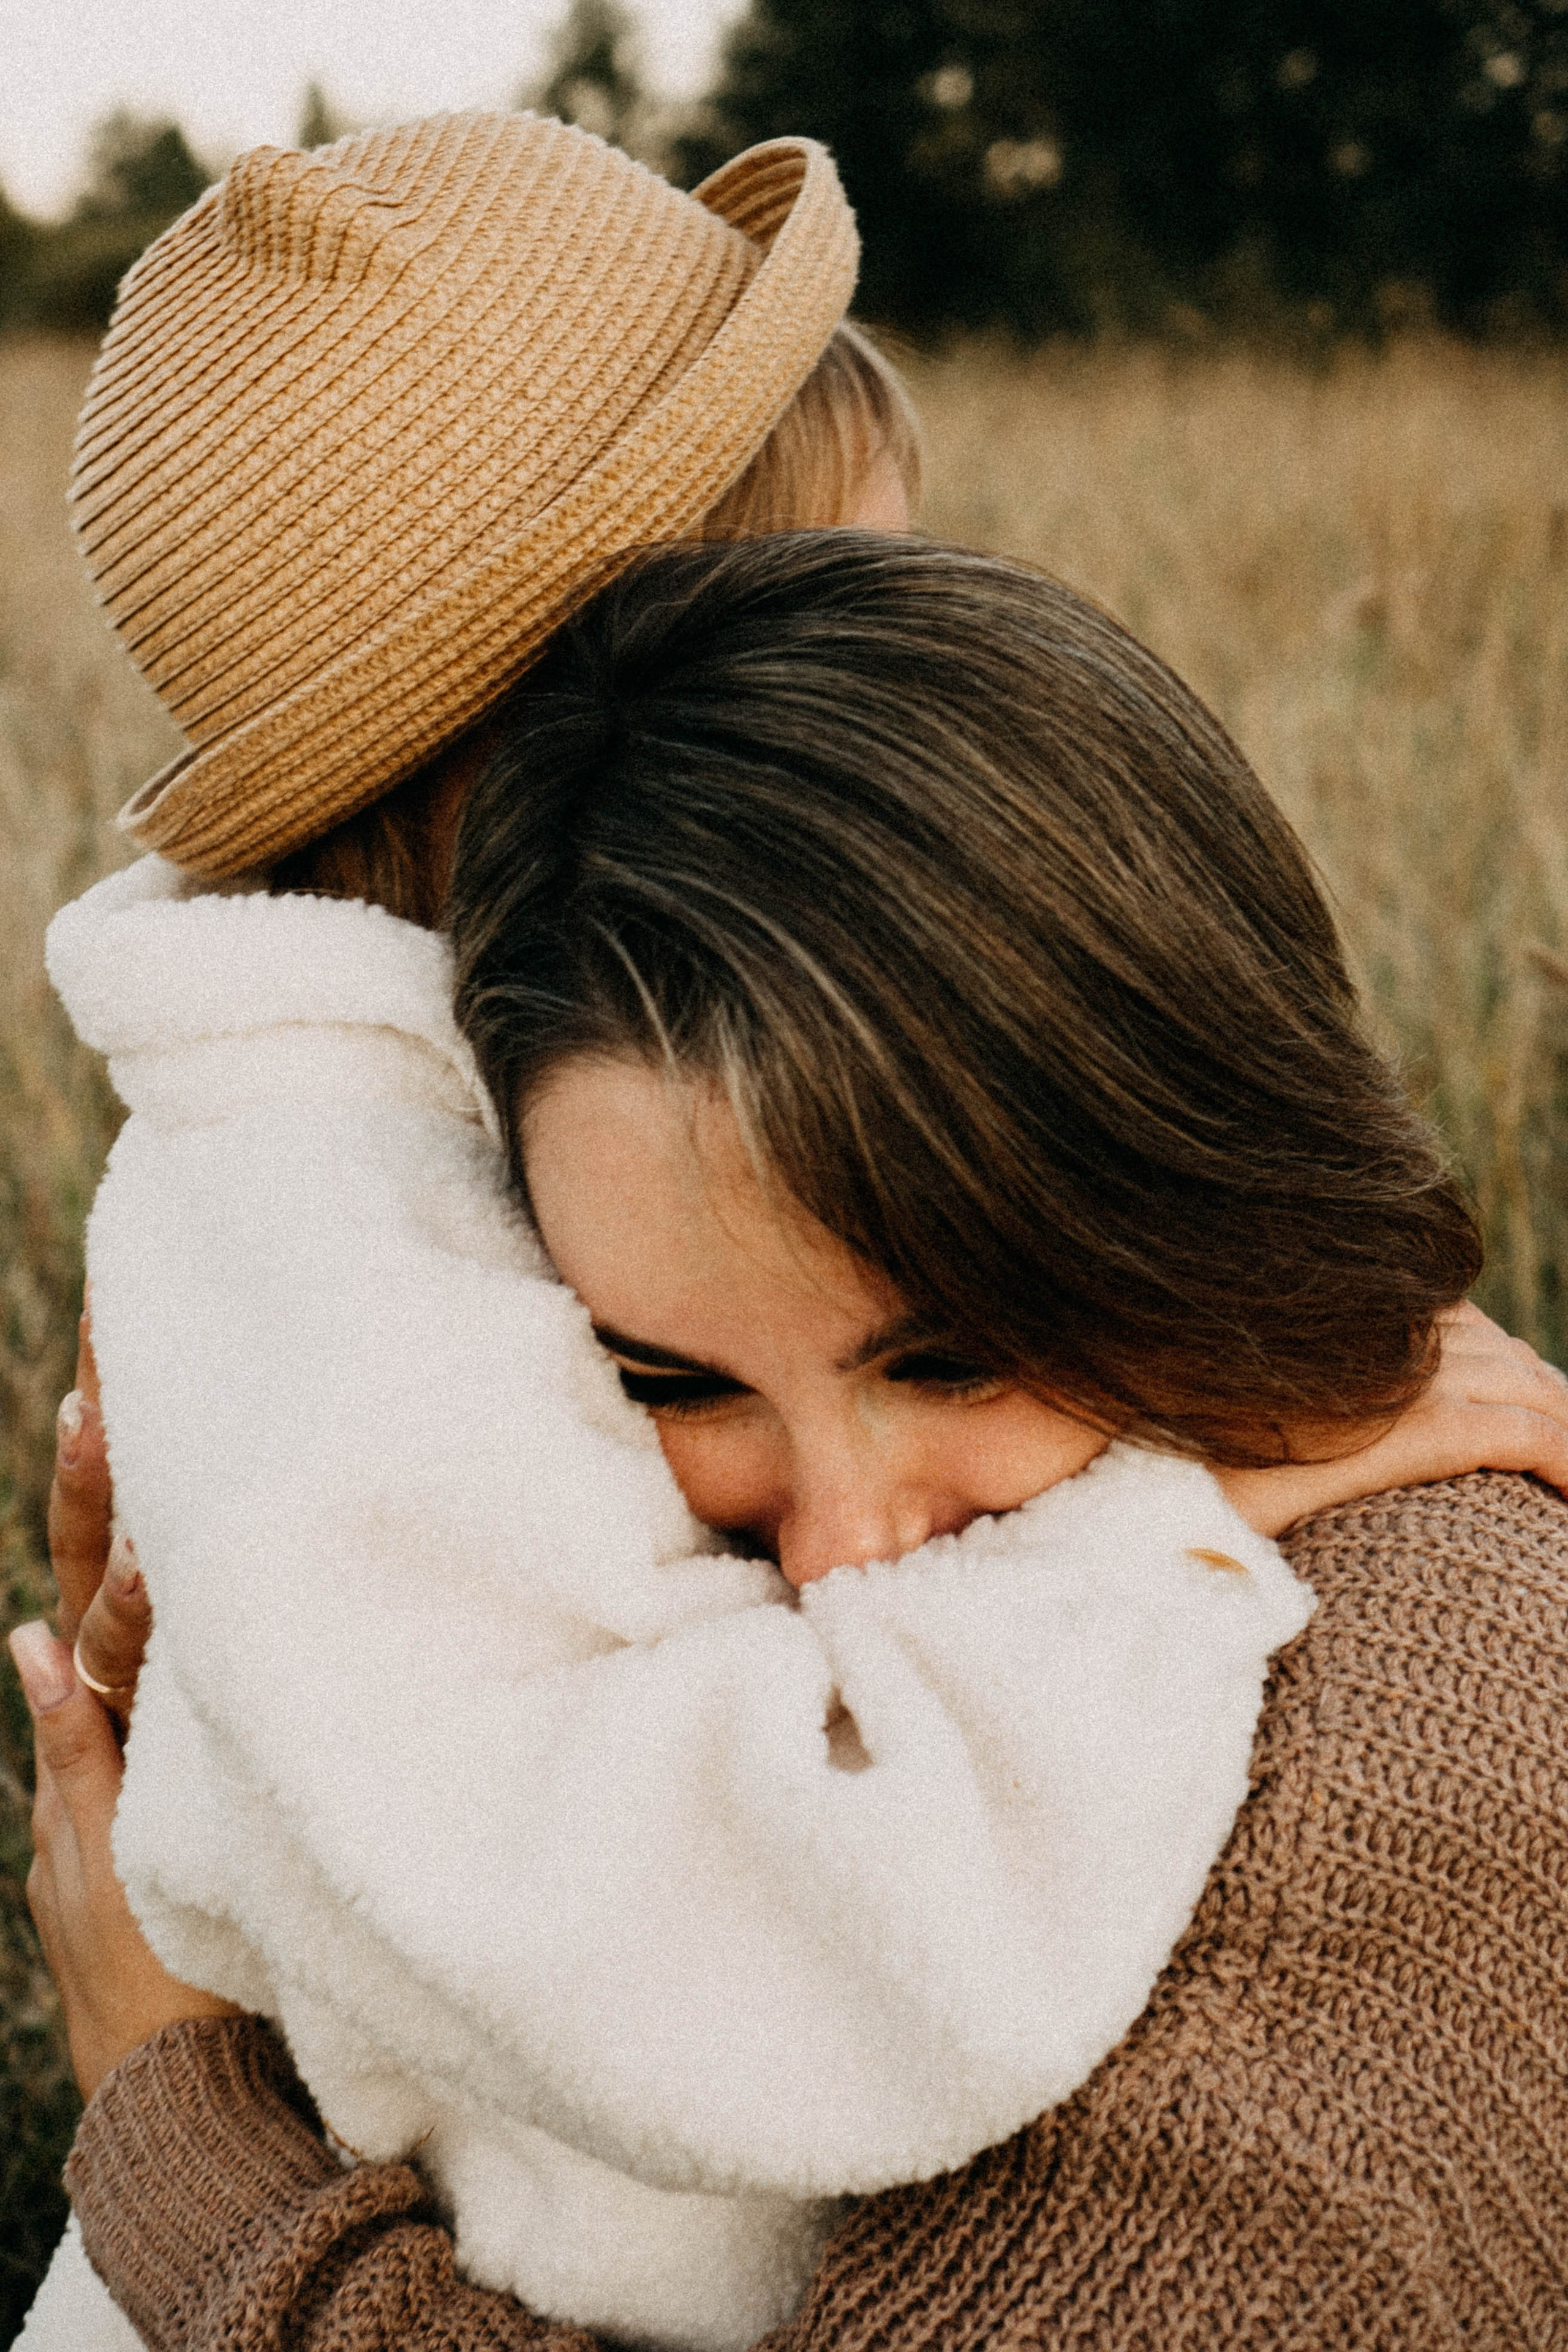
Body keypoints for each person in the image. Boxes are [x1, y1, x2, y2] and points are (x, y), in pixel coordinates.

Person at [16, 532, 1568, 2352]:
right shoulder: (607, 1571)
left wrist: (185, 2148)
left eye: (956, 1358)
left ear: (1175, 1181)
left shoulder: (1396, 1736)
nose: (838, 1549)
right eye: (678, 1384)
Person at [11, 107, 937, 2352]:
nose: (938, 695)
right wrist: (1240, 1533)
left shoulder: (481, 1098)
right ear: (621, 715)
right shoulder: (362, 1253)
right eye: (870, 616)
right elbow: (710, 1944)